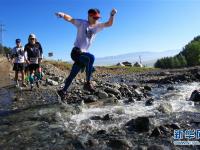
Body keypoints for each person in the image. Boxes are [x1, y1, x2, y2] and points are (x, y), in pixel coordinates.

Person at [55, 8, 117, 99]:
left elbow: (109, 24)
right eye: (95, 18)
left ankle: (63, 91)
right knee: (91, 58)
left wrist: (112, 15)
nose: (97, 20)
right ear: (89, 16)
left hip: (84, 54)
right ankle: (87, 83)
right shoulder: (82, 23)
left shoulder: (97, 26)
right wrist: (63, 14)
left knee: (73, 73)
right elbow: (70, 19)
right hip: (76, 52)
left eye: (98, 18)